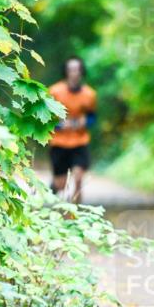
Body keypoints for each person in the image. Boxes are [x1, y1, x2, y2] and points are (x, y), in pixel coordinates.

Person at [48, 56, 96, 204]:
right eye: (71, 69)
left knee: (79, 177)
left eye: (77, 69)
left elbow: (92, 118)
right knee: (61, 185)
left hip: (80, 141)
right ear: (66, 72)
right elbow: (45, 119)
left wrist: (84, 122)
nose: (74, 73)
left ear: (81, 72)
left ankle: (77, 212)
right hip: (59, 142)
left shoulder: (89, 94)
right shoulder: (54, 91)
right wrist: (60, 125)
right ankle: (55, 187)